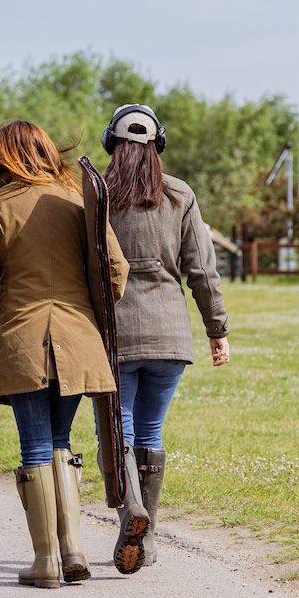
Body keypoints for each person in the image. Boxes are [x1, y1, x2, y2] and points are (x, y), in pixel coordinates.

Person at [0, 120, 128, 588]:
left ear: (10, 156)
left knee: (35, 445)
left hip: (23, 338)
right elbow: (117, 268)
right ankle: (73, 549)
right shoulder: (78, 200)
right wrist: (92, 312)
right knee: (60, 442)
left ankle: (46, 561)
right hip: (78, 339)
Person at [100, 104, 230, 570]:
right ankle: (148, 537)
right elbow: (202, 270)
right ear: (159, 145)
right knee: (151, 431)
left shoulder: (94, 194)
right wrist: (218, 330)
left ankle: (129, 512)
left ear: (110, 143)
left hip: (114, 336)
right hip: (170, 334)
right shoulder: (180, 195)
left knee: (119, 430)